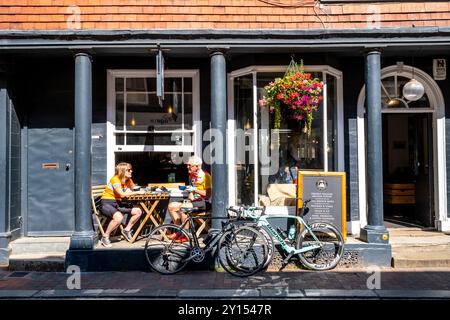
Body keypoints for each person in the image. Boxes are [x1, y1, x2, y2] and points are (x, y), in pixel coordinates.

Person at [167, 155, 212, 242]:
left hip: (205, 202)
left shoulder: (206, 176)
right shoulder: (191, 176)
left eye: (189, 165)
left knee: (184, 208)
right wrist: (189, 193)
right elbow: (191, 194)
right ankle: (179, 232)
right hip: (194, 201)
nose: (187, 167)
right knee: (171, 206)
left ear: (197, 166)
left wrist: (195, 190)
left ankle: (186, 235)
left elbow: (208, 195)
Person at [99, 162, 144, 247]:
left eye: (131, 169)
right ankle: (105, 236)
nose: (131, 171)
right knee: (119, 217)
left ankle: (126, 230)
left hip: (118, 203)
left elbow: (135, 188)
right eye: (128, 170)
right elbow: (121, 194)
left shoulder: (128, 180)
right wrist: (138, 192)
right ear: (122, 171)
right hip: (107, 202)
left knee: (138, 211)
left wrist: (146, 190)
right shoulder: (115, 179)